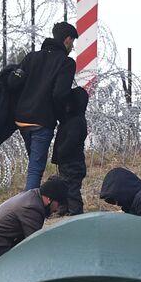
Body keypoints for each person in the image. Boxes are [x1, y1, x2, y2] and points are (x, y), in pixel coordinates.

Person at [12, 22, 78, 190]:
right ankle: (28, 208)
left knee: (34, 162)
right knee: (35, 169)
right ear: (68, 40)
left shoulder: (31, 57)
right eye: (73, 42)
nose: (72, 47)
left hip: (22, 119)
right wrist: (61, 116)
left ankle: (31, 202)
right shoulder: (66, 63)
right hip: (42, 121)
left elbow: (13, 83)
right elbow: (59, 94)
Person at [0, 177, 69, 269]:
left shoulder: (33, 196)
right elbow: (35, 245)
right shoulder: (32, 207)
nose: (57, 209)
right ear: (49, 199)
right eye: (59, 204)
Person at [52, 86, 89, 215]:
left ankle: (76, 211)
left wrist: (61, 152)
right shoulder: (69, 120)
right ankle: (64, 209)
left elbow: (71, 142)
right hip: (67, 162)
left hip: (73, 163)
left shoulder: (77, 122)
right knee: (64, 186)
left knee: (72, 188)